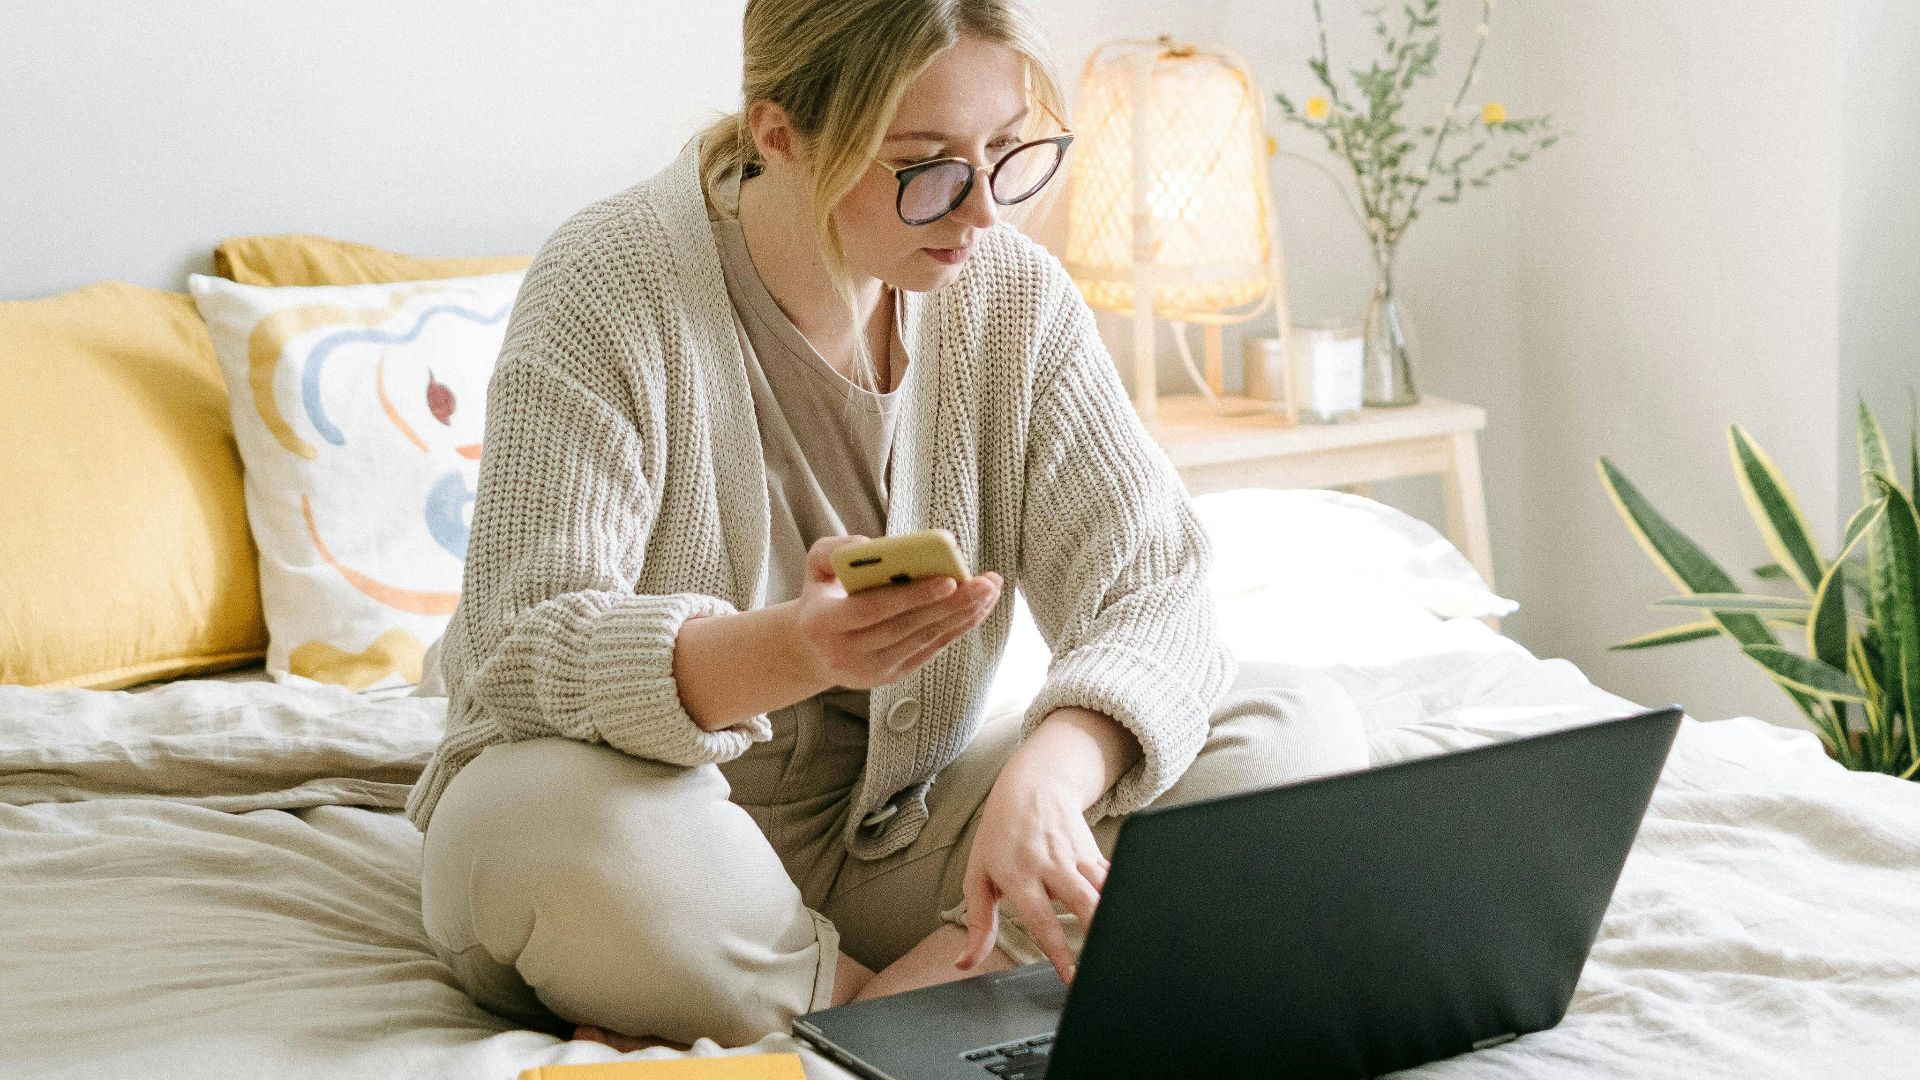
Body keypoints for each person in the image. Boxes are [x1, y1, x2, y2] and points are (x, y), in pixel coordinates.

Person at [408, 0, 1369, 1053]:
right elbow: (519, 644)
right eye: (927, 166)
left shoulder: (1014, 300)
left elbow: (1156, 590)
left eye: (1008, 153)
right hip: (651, 849)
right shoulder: (609, 284)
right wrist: (790, 650)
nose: (984, 213)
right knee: (530, 822)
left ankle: (870, 1020)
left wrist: (1055, 774)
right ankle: (943, 1007)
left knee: (1292, 726)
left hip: (893, 845)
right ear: (779, 133)